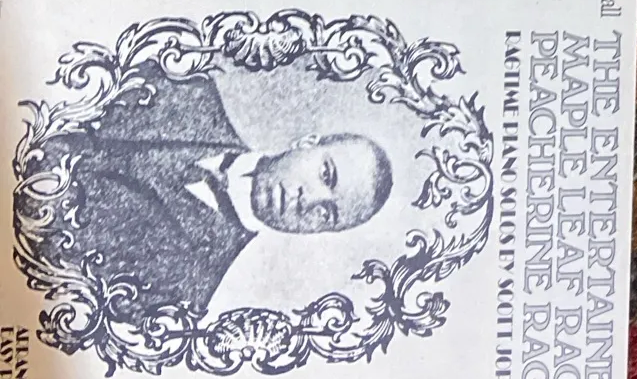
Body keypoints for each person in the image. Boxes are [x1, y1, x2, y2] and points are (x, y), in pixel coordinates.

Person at [46, 60, 393, 319]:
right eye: (326, 174)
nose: (310, 199)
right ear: (307, 143)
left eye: (327, 214)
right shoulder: (184, 87)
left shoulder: (180, 295)